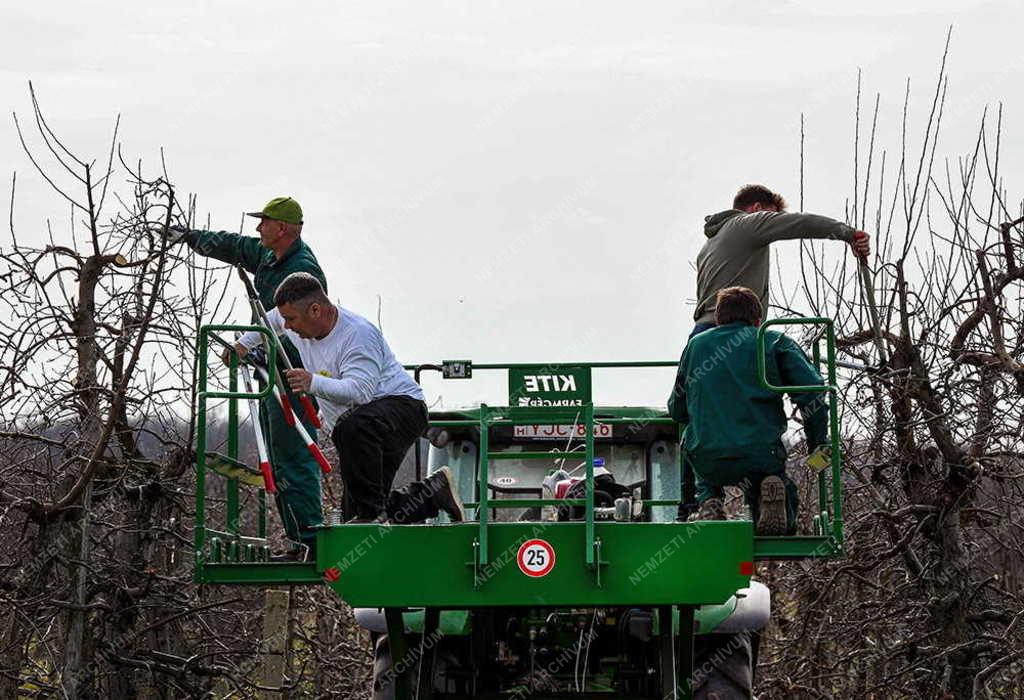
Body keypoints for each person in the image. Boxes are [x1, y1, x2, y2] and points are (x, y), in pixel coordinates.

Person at [161, 196, 326, 560]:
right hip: (271, 368)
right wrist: (189, 237)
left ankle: (312, 543)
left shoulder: (302, 271)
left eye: (263, 222)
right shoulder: (269, 256)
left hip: (292, 372)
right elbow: (234, 245)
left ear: (281, 228)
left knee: (294, 456)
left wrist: (245, 344)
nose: (257, 228)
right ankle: (300, 541)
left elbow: (283, 320)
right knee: (281, 458)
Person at [237, 272, 464, 526]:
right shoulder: (296, 321)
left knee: (352, 430)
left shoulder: (357, 336)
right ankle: (432, 494)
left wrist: (311, 382)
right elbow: (272, 322)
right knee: (357, 518)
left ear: (315, 310)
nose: (287, 326)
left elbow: (360, 392)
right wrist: (243, 345)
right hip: (363, 429)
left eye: (292, 319)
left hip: (401, 409)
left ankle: (371, 515)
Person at [668, 286, 828, 535]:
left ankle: (709, 500)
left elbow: (676, 409)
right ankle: (769, 495)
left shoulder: (696, 346)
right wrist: (818, 444)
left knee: (692, 442)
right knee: (774, 483)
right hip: (761, 453)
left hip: (707, 457)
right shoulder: (772, 341)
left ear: (718, 320)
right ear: (757, 320)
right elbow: (813, 391)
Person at [692, 184, 871, 338]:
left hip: (701, 336)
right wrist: (850, 234)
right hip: (733, 334)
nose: (774, 222)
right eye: (772, 215)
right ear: (756, 208)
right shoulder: (748, 224)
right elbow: (800, 223)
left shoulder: (709, 245)